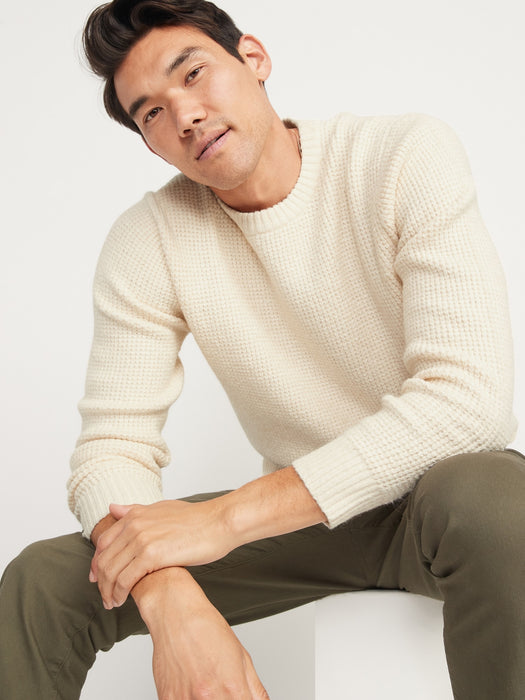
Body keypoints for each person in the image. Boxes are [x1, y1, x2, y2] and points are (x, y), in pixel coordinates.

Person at [0, 0, 524, 697]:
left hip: (433, 506)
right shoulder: (150, 238)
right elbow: (110, 451)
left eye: (193, 74)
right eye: (151, 113)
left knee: (492, 497)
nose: (184, 115)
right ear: (149, 144)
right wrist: (168, 593)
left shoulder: (401, 155)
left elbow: (468, 403)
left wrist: (221, 521)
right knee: (43, 582)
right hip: (309, 531)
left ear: (254, 58)